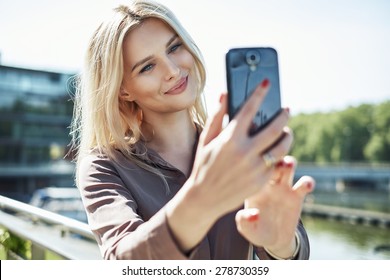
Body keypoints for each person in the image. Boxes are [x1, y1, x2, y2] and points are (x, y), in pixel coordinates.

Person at [70, 0, 315, 260]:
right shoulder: (103, 167)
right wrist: (202, 198)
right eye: (147, 67)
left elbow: (290, 248)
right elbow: (122, 261)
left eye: (174, 47)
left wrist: (281, 244)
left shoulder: (237, 150)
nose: (174, 71)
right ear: (122, 89)